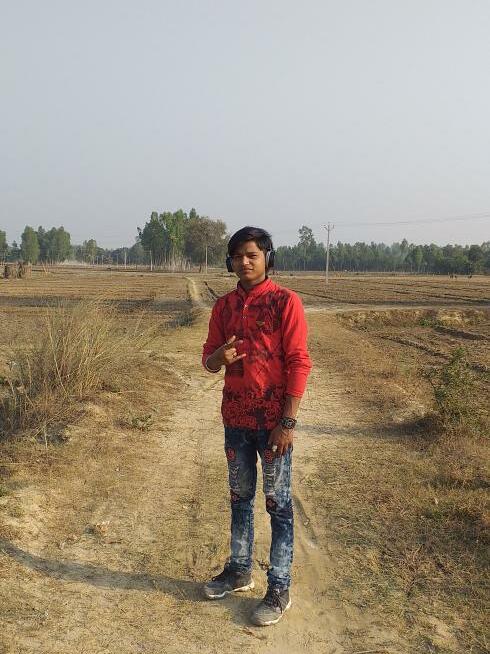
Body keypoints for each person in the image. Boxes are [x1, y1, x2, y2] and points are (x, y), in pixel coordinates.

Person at [201, 226, 313, 626]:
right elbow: (208, 361)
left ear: (268, 258)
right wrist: (219, 357)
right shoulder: (223, 308)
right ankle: (238, 571)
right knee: (239, 498)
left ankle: (279, 587)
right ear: (229, 262)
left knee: (278, 505)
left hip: (273, 425)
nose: (244, 262)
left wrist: (287, 422)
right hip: (236, 421)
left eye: (252, 254)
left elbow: (299, 362)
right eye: (237, 256)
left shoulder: (285, 302)